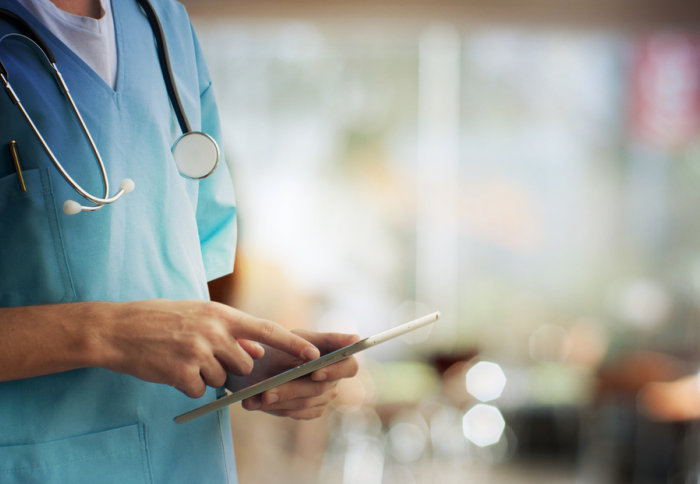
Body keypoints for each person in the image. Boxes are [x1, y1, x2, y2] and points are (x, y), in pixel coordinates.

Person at [0, 0, 358, 482]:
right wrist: (108, 331)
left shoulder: (162, 23)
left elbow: (177, 276)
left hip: (188, 462)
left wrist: (245, 361)